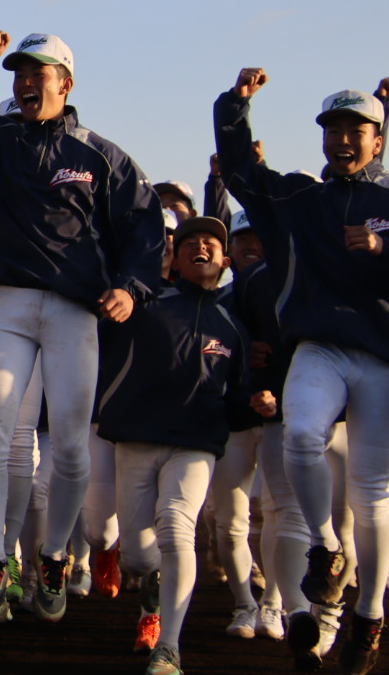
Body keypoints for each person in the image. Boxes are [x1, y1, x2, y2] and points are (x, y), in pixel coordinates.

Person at [0, 13, 165, 625]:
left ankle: (51, 558)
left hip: (74, 313)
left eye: (37, 73)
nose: (24, 83)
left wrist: (131, 286)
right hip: (7, 307)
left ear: (65, 83)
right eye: (17, 73)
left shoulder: (99, 154)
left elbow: (143, 223)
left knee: (69, 444)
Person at [214, 72, 389, 674]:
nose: (343, 139)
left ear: (378, 139)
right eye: (333, 130)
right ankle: (327, 548)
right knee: (301, 436)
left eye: (357, 129)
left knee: (374, 492)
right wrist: (235, 106)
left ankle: (370, 615)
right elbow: (242, 175)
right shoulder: (301, 200)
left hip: (386, 353)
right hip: (321, 347)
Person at [98, 215, 267, 675]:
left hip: (195, 444)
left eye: (212, 243)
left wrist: (257, 403)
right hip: (136, 436)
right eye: (191, 240)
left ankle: (168, 647)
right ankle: (151, 596)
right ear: (175, 255)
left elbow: (237, 397)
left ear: (225, 261)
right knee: (135, 554)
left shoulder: (233, 325)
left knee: (176, 526)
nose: (201, 247)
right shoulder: (146, 301)